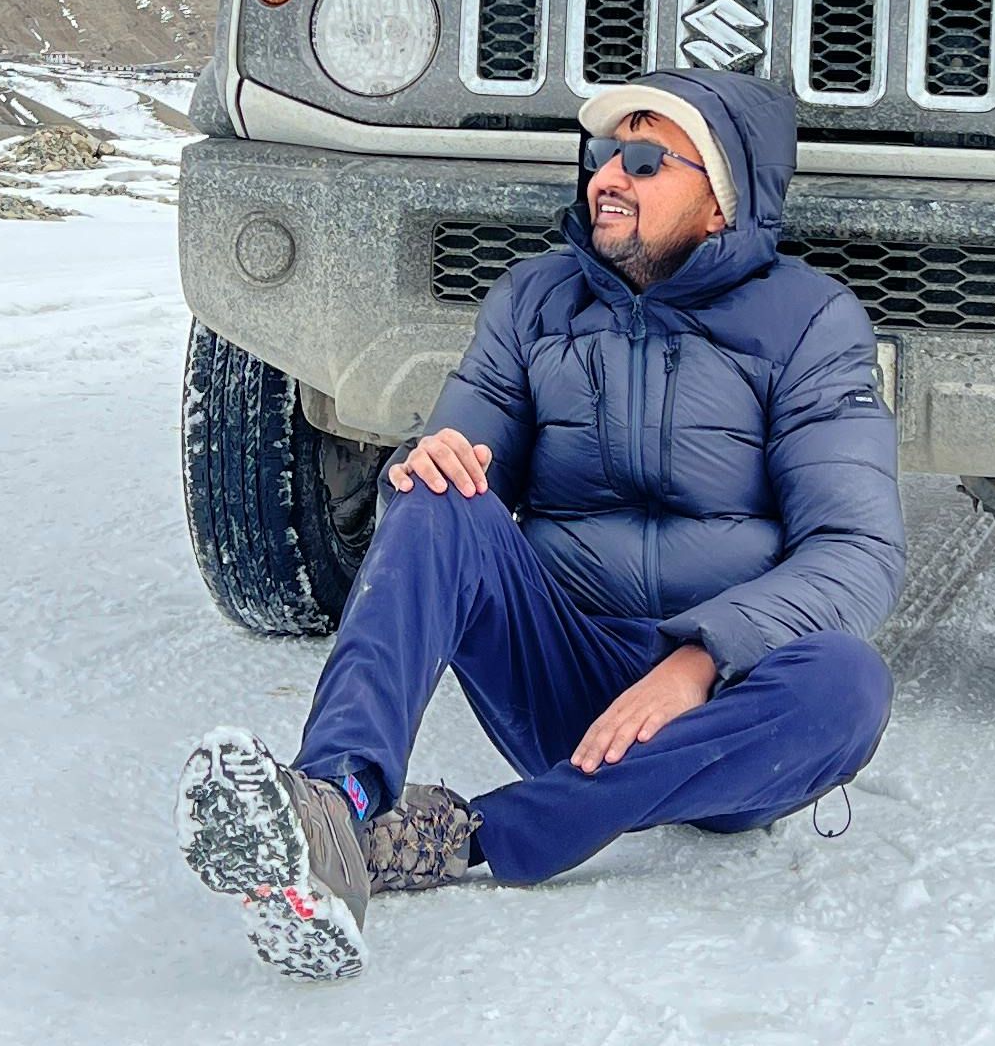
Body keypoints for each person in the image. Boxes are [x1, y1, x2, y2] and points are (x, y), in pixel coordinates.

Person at [177, 67, 906, 979]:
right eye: (605, 154)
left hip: (725, 714)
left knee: (846, 683)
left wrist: (699, 663)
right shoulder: (534, 298)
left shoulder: (811, 322)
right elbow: (464, 454)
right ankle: (339, 803)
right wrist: (427, 461)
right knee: (438, 493)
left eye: (646, 161)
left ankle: (468, 836)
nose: (608, 177)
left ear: (723, 202)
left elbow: (859, 550)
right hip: (561, 670)